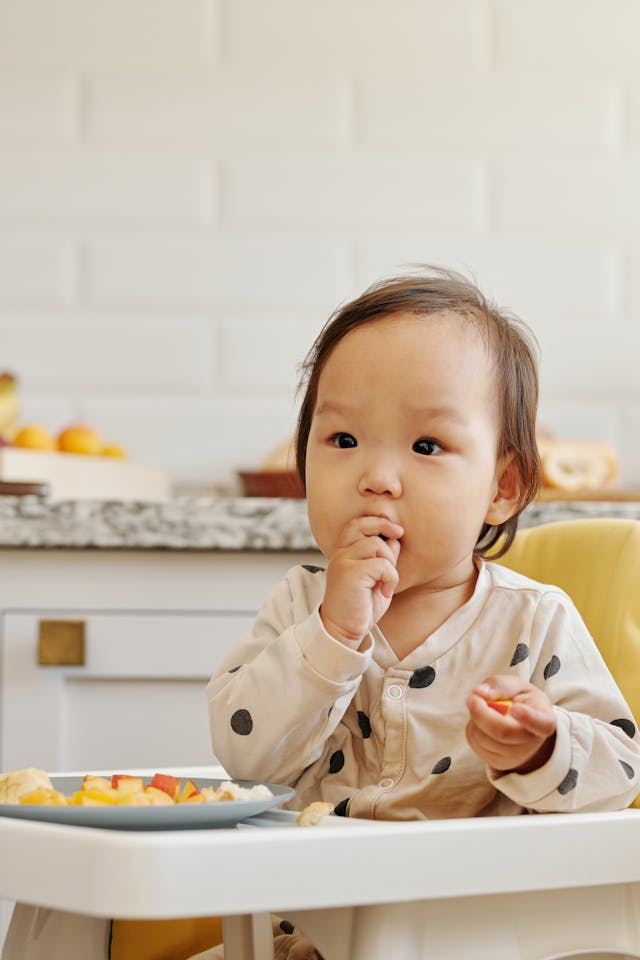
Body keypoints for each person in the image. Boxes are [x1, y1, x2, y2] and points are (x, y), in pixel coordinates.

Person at [199, 266, 640, 959]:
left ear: (502, 487)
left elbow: (620, 777)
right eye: (342, 441)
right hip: (302, 940)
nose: (376, 476)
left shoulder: (534, 621)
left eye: (426, 446)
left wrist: (545, 746)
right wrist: (333, 635)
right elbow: (244, 755)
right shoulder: (299, 606)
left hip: (478, 941)